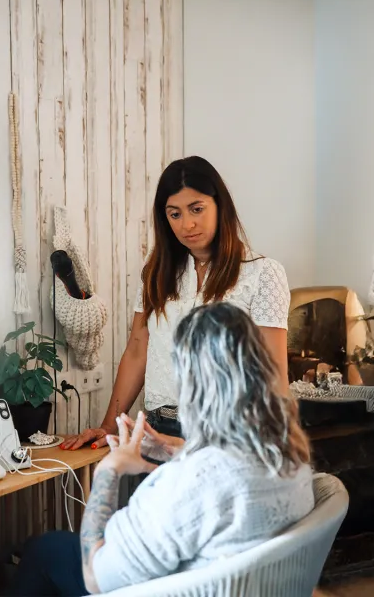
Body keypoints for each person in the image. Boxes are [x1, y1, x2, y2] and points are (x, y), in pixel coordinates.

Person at [11, 303, 314, 596]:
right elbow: (224, 474)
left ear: (191, 385)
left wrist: (109, 470)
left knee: (44, 550)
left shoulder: (186, 486)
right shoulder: (291, 457)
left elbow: (94, 576)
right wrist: (176, 450)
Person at [62, 156, 291, 450]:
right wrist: (109, 427)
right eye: (175, 214)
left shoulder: (262, 273)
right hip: (157, 431)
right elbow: (137, 349)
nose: (187, 224)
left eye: (197, 209)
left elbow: (272, 375)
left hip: (226, 437)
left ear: (220, 205)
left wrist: (270, 453)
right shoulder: (156, 270)